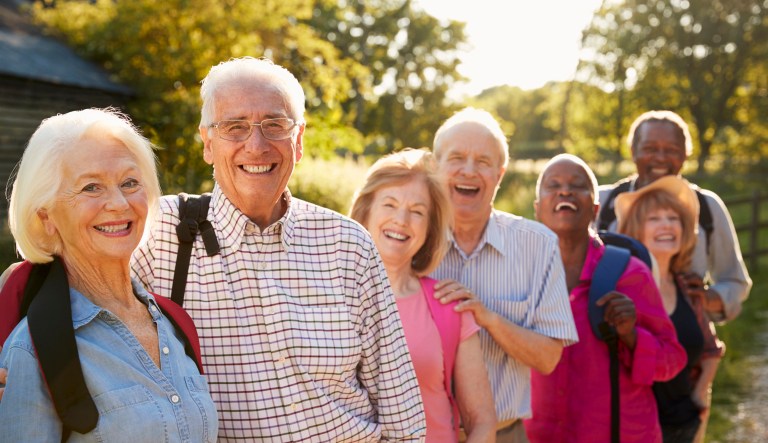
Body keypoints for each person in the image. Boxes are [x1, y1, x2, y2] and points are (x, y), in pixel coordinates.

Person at [128, 57, 425, 441]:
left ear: (298, 141)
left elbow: (401, 410)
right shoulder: (157, 234)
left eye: (274, 125)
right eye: (235, 127)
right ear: (207, 143)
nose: (256, 144)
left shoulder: (348, 245)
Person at [0, 108, 218, 441]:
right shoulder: (32, 349)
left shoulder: (175, 325)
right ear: (46, 216)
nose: (118, 203)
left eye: (130, 182)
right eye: (91, 188)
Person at [428, 108, 579, 443]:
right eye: (457, 158)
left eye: (483, 161)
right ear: (434, 166)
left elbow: (548, 358)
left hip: (504, 434)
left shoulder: (537, 245)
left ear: (500, 173)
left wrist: (488, 318)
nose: (469, 170)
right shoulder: (408, 241)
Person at [523, 154, 686, 443]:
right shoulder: (520, 274)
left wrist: (630, 334)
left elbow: (671, 359)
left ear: (595, 208)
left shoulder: (629, 273)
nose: (565, 191)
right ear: (537, 209)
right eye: (553, 185)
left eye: (578, 185)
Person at [349, 148, 497, 443]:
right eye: (389, 205)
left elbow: (482, 421)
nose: (401, 220)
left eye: (417, 211)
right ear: (365, 212)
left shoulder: (448, 306)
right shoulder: (321, 296)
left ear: (429, 229)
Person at [596, 110, 751, 323]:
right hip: (613, 341)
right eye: (650, 148)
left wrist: (706, 300)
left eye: (671, 150)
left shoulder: (707, 207)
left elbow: (735, 281)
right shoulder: (601, 202)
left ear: (685, 154)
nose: (660, 157)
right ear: (633, 151)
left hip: (687, 344)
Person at [616, 175, 725, 443]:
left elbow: (711, 349)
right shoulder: (621, 289)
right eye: (654, 218)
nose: (666, 224)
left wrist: (700, 396)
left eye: (673, 218)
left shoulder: (689, 289)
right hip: (634, 428)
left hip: (685, 423)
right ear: (635, 230)